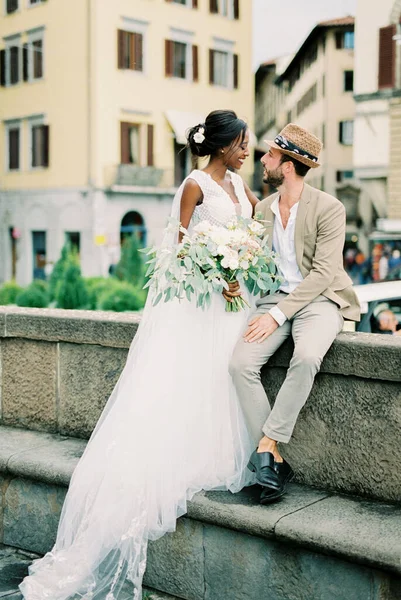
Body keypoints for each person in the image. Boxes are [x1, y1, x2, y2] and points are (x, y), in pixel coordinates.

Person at [19, 110, 260, 600]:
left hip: (237, 302)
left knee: (222, 377)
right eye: (240, 143)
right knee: (193, 379)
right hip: (206, 303)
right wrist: (219, 272)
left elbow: (253, 229)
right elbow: (177, 250)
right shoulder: (194, 184)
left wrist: (246, 257)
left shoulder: (238, 185)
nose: (246, 150)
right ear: (219, 145)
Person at [229, 124, 361, 505]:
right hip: (273, 299)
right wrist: (229, 272)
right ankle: (274, 460)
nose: (264, 160)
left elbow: (322, 273)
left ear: (287, 166)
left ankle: (267, 444)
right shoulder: (263, 208)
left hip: (319, 300)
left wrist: (278, 316)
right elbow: (251, 258)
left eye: (270, 155)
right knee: (240, 364)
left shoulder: (330, 208)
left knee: (305, 357)